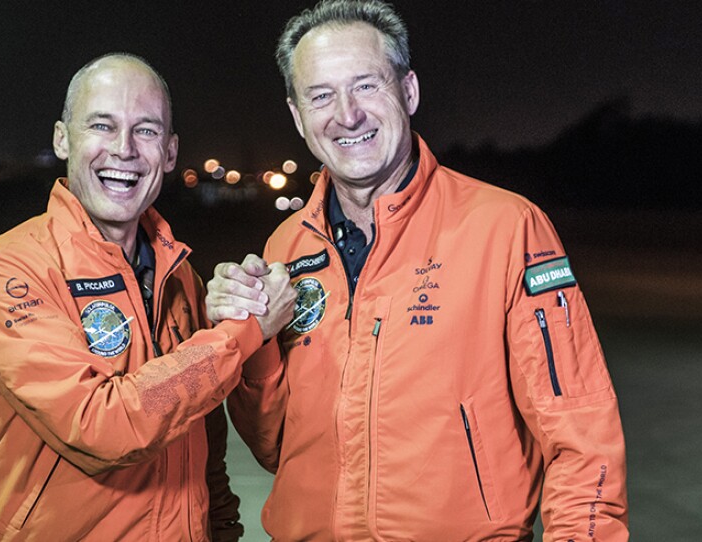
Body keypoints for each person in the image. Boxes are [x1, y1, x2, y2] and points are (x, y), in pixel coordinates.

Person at [206, 1, 629, 540]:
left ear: (408, 91)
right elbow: (278, 448)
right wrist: (252, 339)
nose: (347, 114)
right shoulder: (285, 247)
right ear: (297, 116)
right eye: (320, 96)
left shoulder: (506, 228)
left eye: (365, 86)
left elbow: (582, 434)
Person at [0, 53, 295, 541]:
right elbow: (101, 427)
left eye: (146, 130)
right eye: (102, 125)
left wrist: (221, 531)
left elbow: (204, 452)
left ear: (171, 151)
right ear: (61, 139)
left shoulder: (182, 279)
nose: (124, 149)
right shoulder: (10, 270)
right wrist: (243, 332)